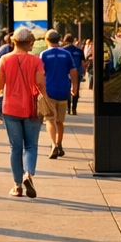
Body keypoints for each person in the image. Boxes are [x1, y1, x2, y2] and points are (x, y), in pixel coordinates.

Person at [0, 27, 46, 196]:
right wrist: (45, 100)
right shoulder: (36, 61)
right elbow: (40, 84)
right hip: (31, 108)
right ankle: (28, 174)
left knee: (15, 148)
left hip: (10, 108)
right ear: (29, 43)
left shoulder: (4, 59)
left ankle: (17, 186)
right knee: (31, 146)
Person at [39, 29, 77, 159]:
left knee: (50, 119)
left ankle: (53, 144)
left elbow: (40, 73)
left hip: (48, 91)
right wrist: (75, 87)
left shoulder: (43, 54)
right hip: (63, 91)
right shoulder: (66, 54)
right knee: (60, 121)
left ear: (46, 40)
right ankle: (60, 144)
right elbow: (73, 72)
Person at [66, 37, 85, 115]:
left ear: (65, 41)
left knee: (67, 90)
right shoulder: (79, 50)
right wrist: (84, 71)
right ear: (73, 40)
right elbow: (83, 62)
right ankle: (74, 109)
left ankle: (68, 108)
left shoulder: (64, 50)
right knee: (76, 90)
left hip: (66, 73)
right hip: (78, 72)